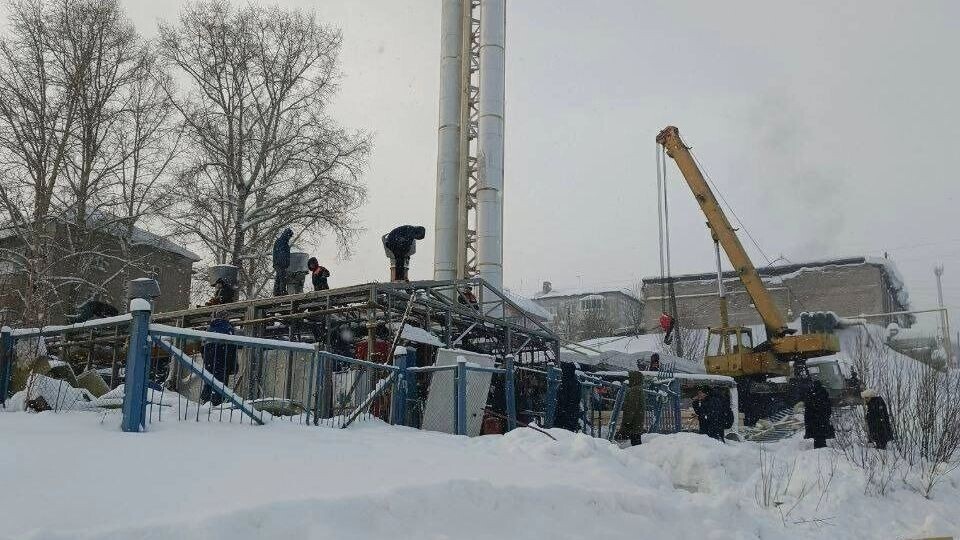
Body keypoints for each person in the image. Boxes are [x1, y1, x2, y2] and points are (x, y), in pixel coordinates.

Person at [200, 318, 238, 406]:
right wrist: (233, 366)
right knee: (221, 382)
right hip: (223, 359)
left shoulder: (209, 329)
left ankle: (206, 401)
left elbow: (202, 348)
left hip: (210, 360)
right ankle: (216, 403)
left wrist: (206, 360)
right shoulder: (228, 330)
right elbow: (232, 349)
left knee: (209, 380)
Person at [803, 380, 835, 449]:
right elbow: (828, 407)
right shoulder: (824, 394)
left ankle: (818, 447)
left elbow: (808, 410)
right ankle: (823, 447)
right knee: (822, 434)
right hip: (822, 419)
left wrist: (808, 421)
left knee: (817, 435)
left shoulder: (810, 395)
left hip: (814, 420)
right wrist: (827, 415)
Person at [618, 371, 646, 446]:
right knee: (636, 440)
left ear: (634, 378)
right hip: (637, 420)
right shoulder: (639, 388)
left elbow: (632, 406)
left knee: (635, 443)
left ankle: (638, 456)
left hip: (634, 421)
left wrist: (627, 421)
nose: (629, 379)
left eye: (630, 378)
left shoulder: (635, 390)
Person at [554, 362, 582, 432]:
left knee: (560, 431)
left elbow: (563, 398)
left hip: (565, 412)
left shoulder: (565, 383)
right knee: (568, 432)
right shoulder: (576, 383)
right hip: (571, 412)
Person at [272, 228, 294, 296]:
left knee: (279, 277)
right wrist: (284, 263)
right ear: (287, 235)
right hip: (280, 263)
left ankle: (277, 292)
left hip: (279, 263)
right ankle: (282, 292)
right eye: (289, 236)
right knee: (282, 277)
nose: (290, 238)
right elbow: (282, 254)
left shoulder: (283, 242)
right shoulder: (282, 242)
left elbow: (284, 254)